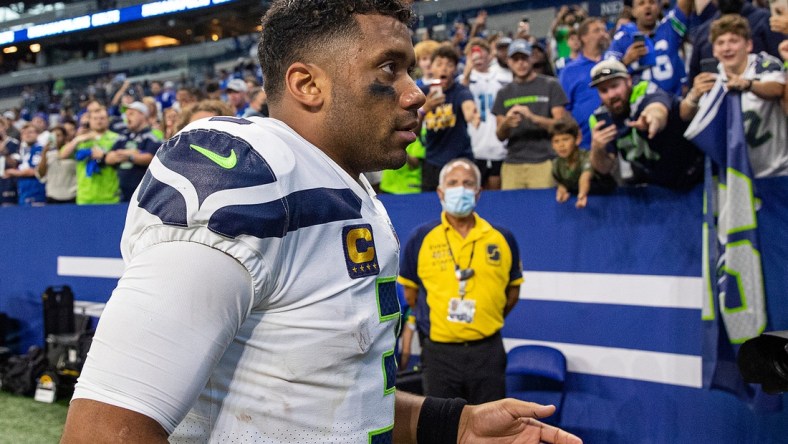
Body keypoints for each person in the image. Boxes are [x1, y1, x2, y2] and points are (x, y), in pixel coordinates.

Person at [61, 1, 582, 443]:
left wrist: (455, 424)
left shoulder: (344, 187)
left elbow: (328, 391)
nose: (416, 92)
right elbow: (105, 428)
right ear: (308, 84)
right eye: (389, 69)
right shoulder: (245, 176)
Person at [398, 158, 523, 404]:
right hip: (438, 355)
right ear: (440, 192)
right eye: (453, 183)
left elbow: (512, 293)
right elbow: (411, 295)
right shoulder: (421, 238)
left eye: (467, 183)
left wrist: (485, 318)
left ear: (478, 193)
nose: (460, 189)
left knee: (490, 430)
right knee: (443, 428)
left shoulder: (502, 238)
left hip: (488, 352)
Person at [681, 14, 787, 177]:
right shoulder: (711, 78)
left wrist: (749, 85)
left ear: (749, 45)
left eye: (733, 41)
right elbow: (685, 115)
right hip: (737, 176)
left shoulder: (764, 64)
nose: (727, 48)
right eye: (720, 43)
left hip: (777, 171)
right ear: (714, 50)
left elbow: (778, 89)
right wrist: (693, 96)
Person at [588, 59, 704, 189]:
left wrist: (652, 119)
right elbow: (604, 168)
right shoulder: (599, 119)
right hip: (656, 185)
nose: (611, 95)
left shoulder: (644, 89)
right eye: (603, 90)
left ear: (628, 81)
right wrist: (597, 148)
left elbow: (657, 107)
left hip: (693, 172)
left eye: (615, 86)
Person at [493, 39, 568, 190]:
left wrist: (533, 118)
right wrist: (506, 124)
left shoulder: (550, 85)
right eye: (515, 59)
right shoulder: (503, 93)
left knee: (544, 209)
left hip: (544, 160)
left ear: (532, 58)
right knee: (512, 212)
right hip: (513, 163)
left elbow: (562, 126)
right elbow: (500, 135)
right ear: (509, 62)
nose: (520, 63)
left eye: (524, 58)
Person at [419, 44, 479, 191]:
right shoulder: (422, 93)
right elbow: (413, 129)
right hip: (432, 161)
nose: (444, 68)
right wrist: (425, 109)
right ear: (431, 68)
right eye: (439, 64)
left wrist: (472, 115)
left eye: (449, 65)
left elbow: (468, 106)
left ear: (455, 69)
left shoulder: (460, 91)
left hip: (461, 160)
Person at [604, 0, 692, 96]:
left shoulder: (670, 27)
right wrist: (625, 61)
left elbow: (685, 4)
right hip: (638, 106)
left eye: (652, 2)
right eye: (641, 3)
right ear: (633, 11)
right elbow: (605, 71)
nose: (647, 6)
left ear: (658, 7)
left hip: (673, 101)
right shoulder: (623, 37)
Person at [461, 38, 511, 190]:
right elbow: (460, 93)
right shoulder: (463, 80)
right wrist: (467, 72)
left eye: (482, 52)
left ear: (490, 55)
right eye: (473, 53)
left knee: (496, 193)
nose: (478, 56)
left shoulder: (505, 77)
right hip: (474, 146)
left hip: (500, 146)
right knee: (475, 192)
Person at [559, 17, 611, 149]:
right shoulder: (569, 71)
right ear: (583, 37)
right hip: (585, 144)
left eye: (604, 30)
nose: (603, 34)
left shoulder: (613, 62)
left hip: (618, 139)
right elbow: (564, 110)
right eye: (597, 30)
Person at [59, 106, 124, 205]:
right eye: (95, 118)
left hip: (109, 196)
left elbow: (120, 159)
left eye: (102, 118)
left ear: (108, 120)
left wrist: (103, 156)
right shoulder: (81, 140)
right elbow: (62, 155)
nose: (99, 121)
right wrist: (77, 139)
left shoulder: (116, 138)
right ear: (89, 120)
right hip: (85, 196)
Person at [551, 118, 615, 209]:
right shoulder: (556, 164)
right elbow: (561, 182)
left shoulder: (587, 156)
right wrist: (562, 189)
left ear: (577, 139)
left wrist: (582, 195)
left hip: (606, 199)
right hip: (579, 203)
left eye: (565, 139)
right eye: (556, 141)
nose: (561, 145)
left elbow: (585, 177)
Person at [105, 101, 162, 201]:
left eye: (131, 114)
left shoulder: (152, 135)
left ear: (143, 115)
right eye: (126, 114)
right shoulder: (123, 136)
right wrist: (132, 154)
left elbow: (151, 157)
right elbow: (108, 158)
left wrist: (129, 157)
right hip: (121, 193)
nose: (127, 117)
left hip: (144, 193)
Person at [3, 123, 46, 206]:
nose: (27, 135)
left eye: (30, 132)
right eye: (24, 133)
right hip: (23, 192)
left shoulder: (39, 149)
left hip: (35, 191)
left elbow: (35, 171)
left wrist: (12, 172)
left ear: (37, 134)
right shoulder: (22, 150)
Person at [36, 125, 77, 204]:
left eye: (58, 135)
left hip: (71, 196)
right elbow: (41, 174)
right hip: (52, 197)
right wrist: (44, 153)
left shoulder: (73, 153)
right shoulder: (48, 155)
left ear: (65, 137)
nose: (55, 138)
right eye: (53, 136)